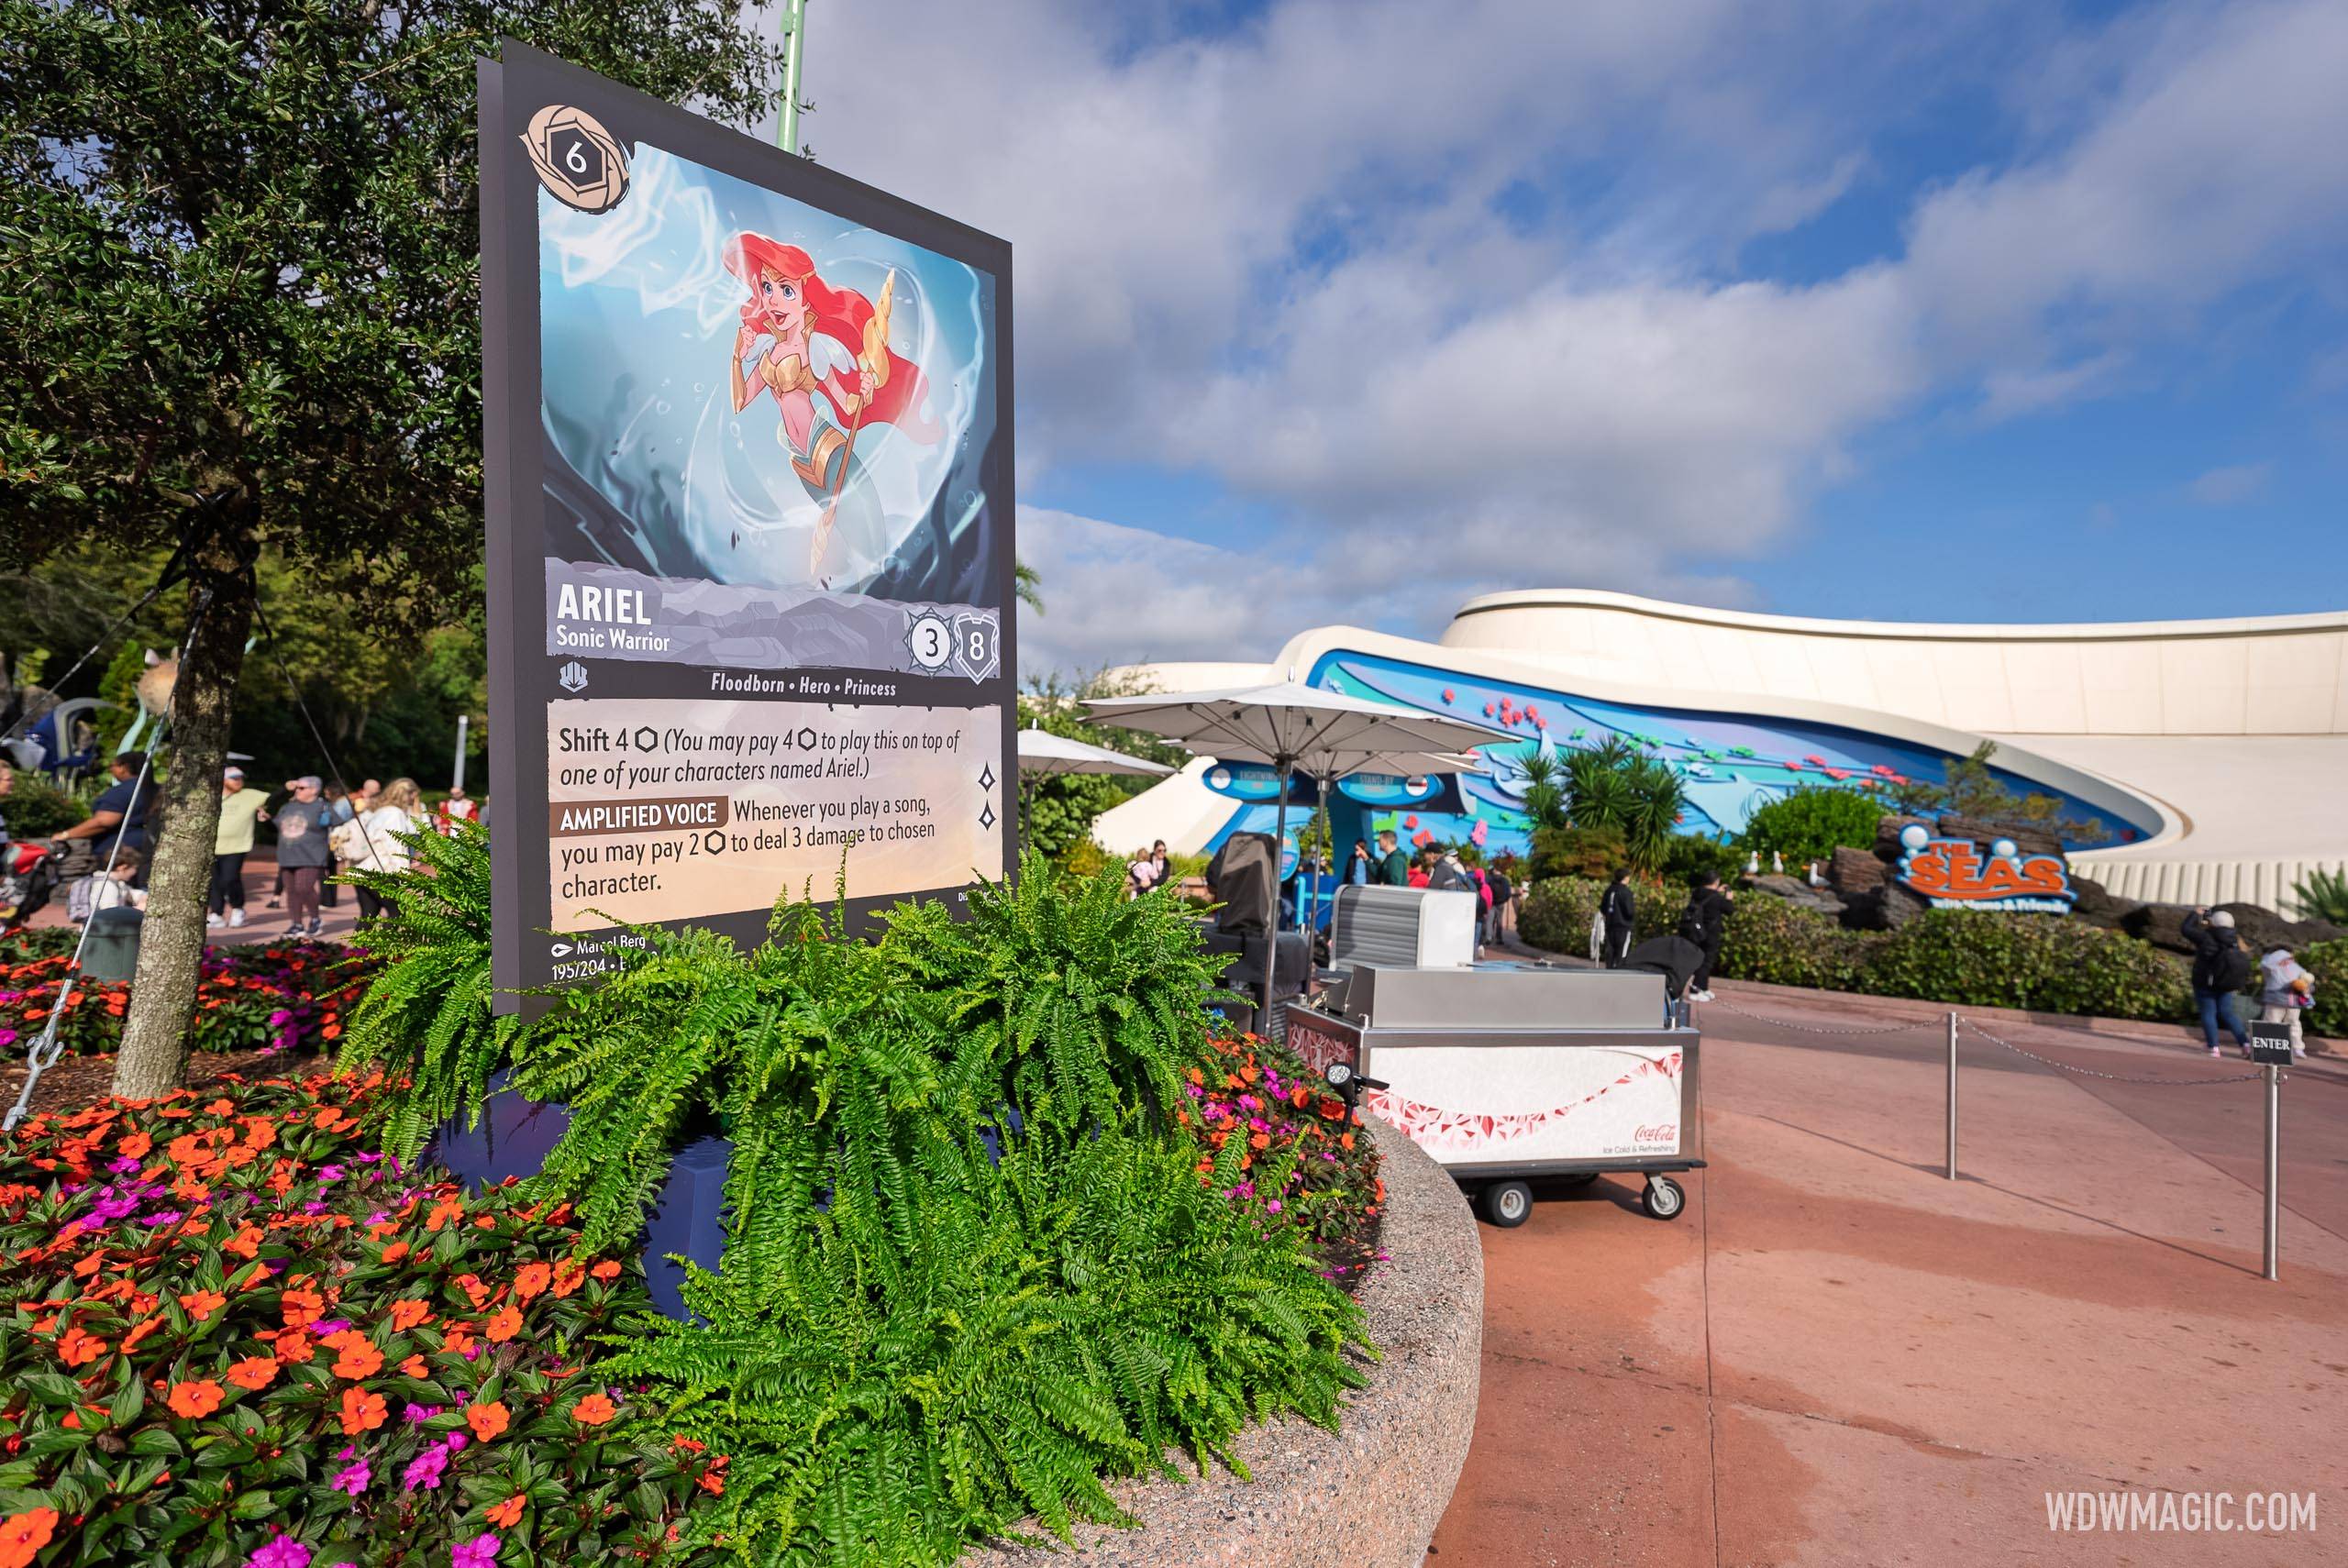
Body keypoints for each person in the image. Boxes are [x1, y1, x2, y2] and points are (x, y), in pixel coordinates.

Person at [343, 777, 423, 922]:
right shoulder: (395, 813)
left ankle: (360, 945)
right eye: (413, 795)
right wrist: (403, 874)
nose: (414, 799)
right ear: (405, 794)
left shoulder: (377, 810)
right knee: (397, 914)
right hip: (380, 870)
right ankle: (385, 944)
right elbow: (395, 845)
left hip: (362, 869)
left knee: (369, 914)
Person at [54, 752, 154, 866]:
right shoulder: (156, 790)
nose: (110, 770)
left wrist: (66, 835)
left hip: (119, 857)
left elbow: (103, 821)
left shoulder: (121, 792)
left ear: (123, 768)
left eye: (112, 766)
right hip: (150, 849)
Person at [206, 767, 271, 929]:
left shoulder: (249, 795)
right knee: (214, 881)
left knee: (230, 878)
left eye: (240, 778)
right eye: (234, 778)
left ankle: (237, 908)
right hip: (212, 846)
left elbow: (273, 799)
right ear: (224, 780)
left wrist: (287, 788)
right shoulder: (212, 796)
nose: (238, 781)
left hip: (237, 846)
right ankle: (216, 913)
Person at [2182, 908, 2253, 1058]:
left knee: (2209, 1013)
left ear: (2213, 923)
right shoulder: (2236, 940)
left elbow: (2186, 929)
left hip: (2205, 984)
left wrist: (2196, 914)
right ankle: (2245, 1044)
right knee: (2227, 1013)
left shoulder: (2206, 937)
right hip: (2226, 984)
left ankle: (2213, 1047)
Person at [274, 776, 336, 937]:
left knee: (304, 888)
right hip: (287, 854)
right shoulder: (289, 806)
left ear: (314, 789)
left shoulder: (323, 806)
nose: (297, 791)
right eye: (296, 788)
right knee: (292, 891)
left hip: (311, 855)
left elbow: (339, 823)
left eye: (301, 788)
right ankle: (296, 924)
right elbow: (274, 818)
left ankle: (315, 919)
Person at [1676, 870, 1733, 1001]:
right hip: (1710, 934)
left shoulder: (1696, 893)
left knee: (1696, 960)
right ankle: (1696, 990)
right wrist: (1728, 898)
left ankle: (1704, 988)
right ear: (1716, 882)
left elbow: (1707, 900)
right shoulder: (1717, 898)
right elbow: (1729, 910)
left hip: (1695, 932)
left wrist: (1716, 892)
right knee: (1706, 962)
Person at [2256, 945, 2312, 1060]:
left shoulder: (2295, 967)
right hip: (2277, 1000)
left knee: (2291, 1023)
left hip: (2292, 1001)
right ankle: (2269, 1048)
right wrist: (2278, 956)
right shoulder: (2271, 967)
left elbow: (2307, 981)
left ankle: (2297, 1048)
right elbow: (2264, 965)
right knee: (2274, 1023)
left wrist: (2306, 988)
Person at [87, 848, 148, 916]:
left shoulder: (117, 882)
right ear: (122, 868)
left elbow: (131, 894)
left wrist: (143, 896)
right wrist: (137, 910)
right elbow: (111, 914)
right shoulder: (107, 886)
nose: (135, 872)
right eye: (134, 868)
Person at [1600, 867, 1638, 969]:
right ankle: (1620, 973)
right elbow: (1629, 911)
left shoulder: (1609, 890)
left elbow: (1603, 908)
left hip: (1610, 926)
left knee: (1610, 952)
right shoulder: (1626, 892)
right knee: (1622, 954)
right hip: (1623, 927)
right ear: (1625, 878)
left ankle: (1609, 972)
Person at [1484, 859, 1514, 947]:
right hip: (1501, 904)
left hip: (1491, 903)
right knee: (1500, 921)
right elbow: (1508, 893)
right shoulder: (1505, 880)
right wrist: (1504, 900)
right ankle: (1499, 939)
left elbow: (1486, 891)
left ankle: (1489, 937)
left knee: (1490, 921)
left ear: (1494, 870)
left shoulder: (1489, 879)